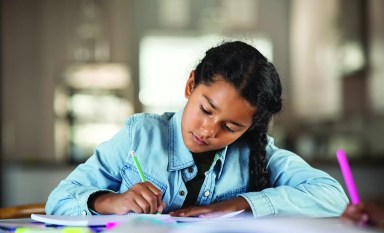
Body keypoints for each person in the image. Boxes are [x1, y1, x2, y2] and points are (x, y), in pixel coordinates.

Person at [46, 40, 348, 217]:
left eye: (230, 127)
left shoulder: (257, 152)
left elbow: (333, 197)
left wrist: (237, 204)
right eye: (206, 109)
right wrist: (113, 201)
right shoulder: (140, 136)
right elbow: (58, 200)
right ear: (191, 85)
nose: (208, 130)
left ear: (248, 128)